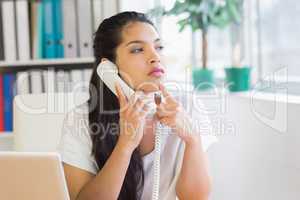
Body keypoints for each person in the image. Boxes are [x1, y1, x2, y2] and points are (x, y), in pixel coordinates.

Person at [57, 11, 217, 200]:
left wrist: (192, 139)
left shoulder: (186, 106)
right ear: (108, 68)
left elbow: (195, 197)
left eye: (159, 46)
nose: (155, 56)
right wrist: (126, 145)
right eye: (137, 49)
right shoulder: (81, 119)